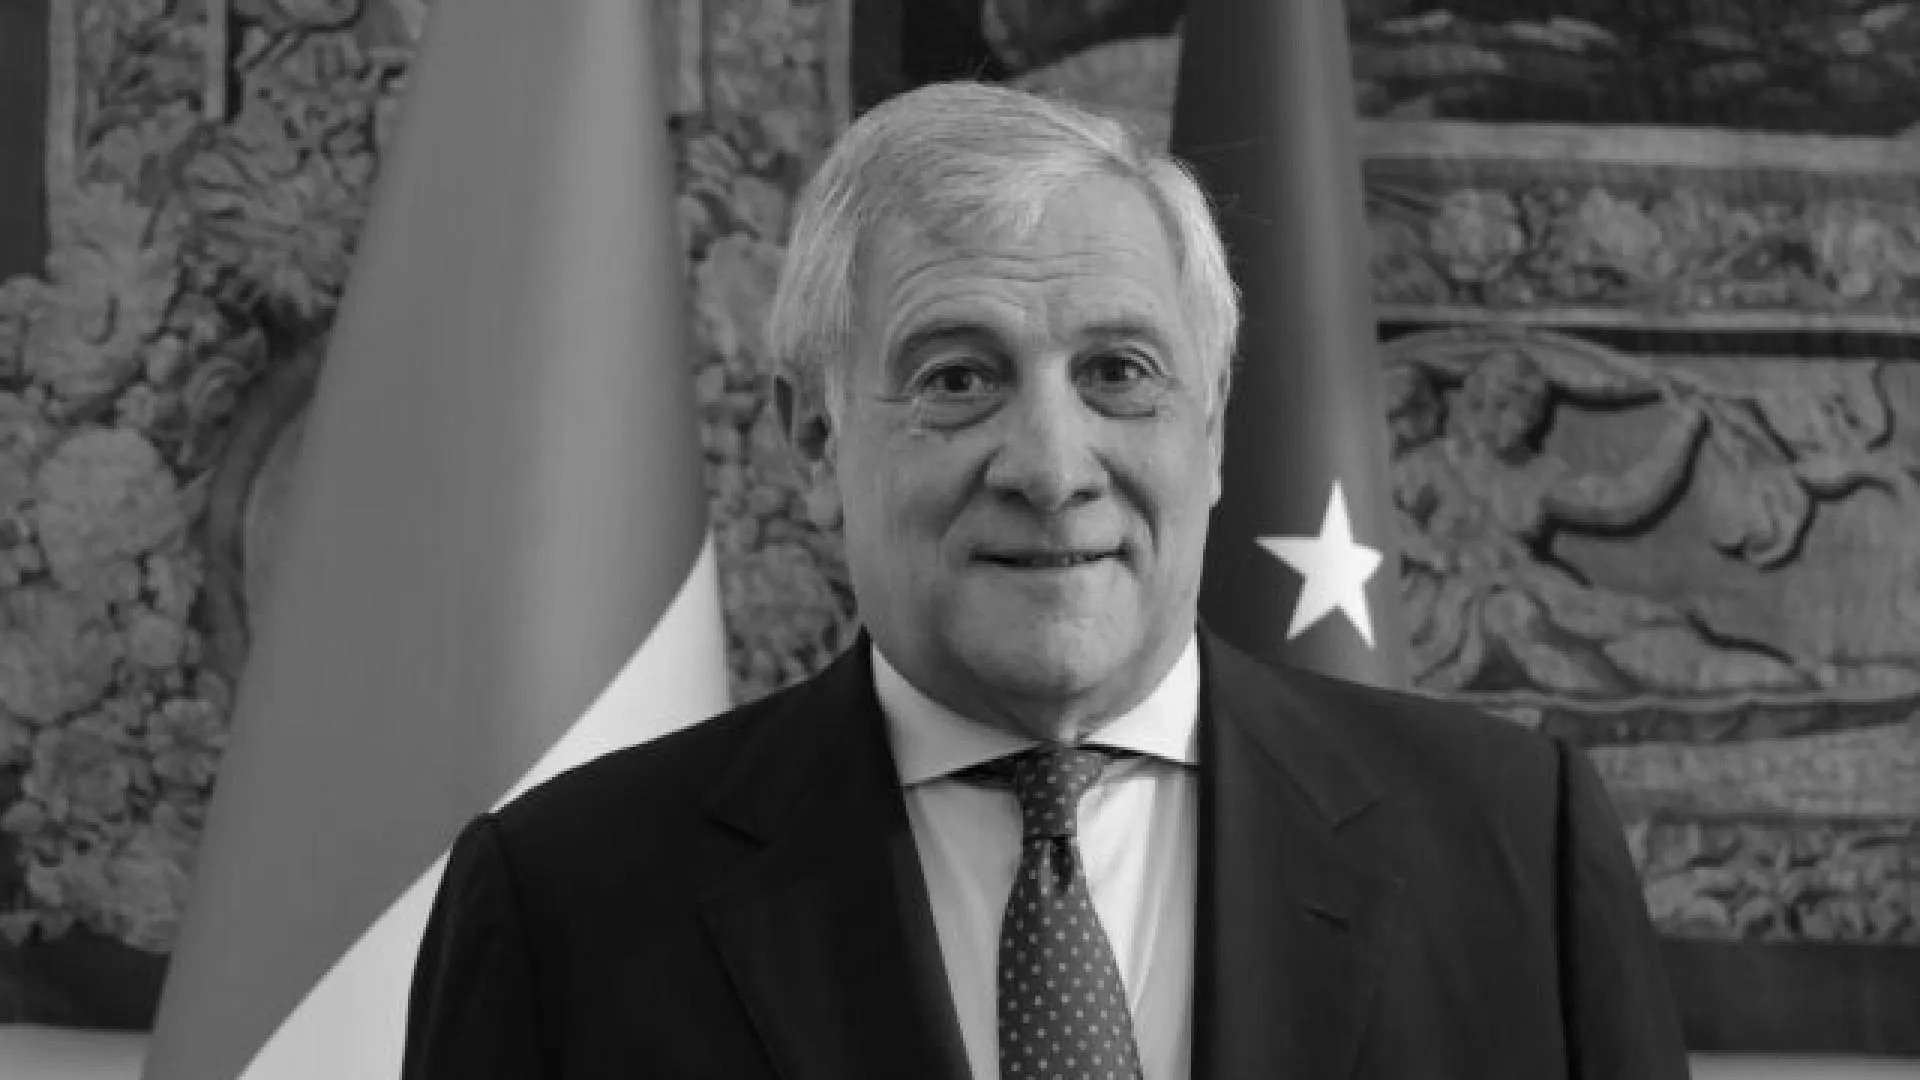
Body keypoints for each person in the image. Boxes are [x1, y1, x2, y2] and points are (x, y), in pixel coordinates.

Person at [401, 81, 1690, 1080]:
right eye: (959, 377)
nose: (1052, 467)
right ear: (814, 440)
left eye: (1119, 372)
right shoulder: (568, 902)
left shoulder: (1514, 851)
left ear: (1213, 428)